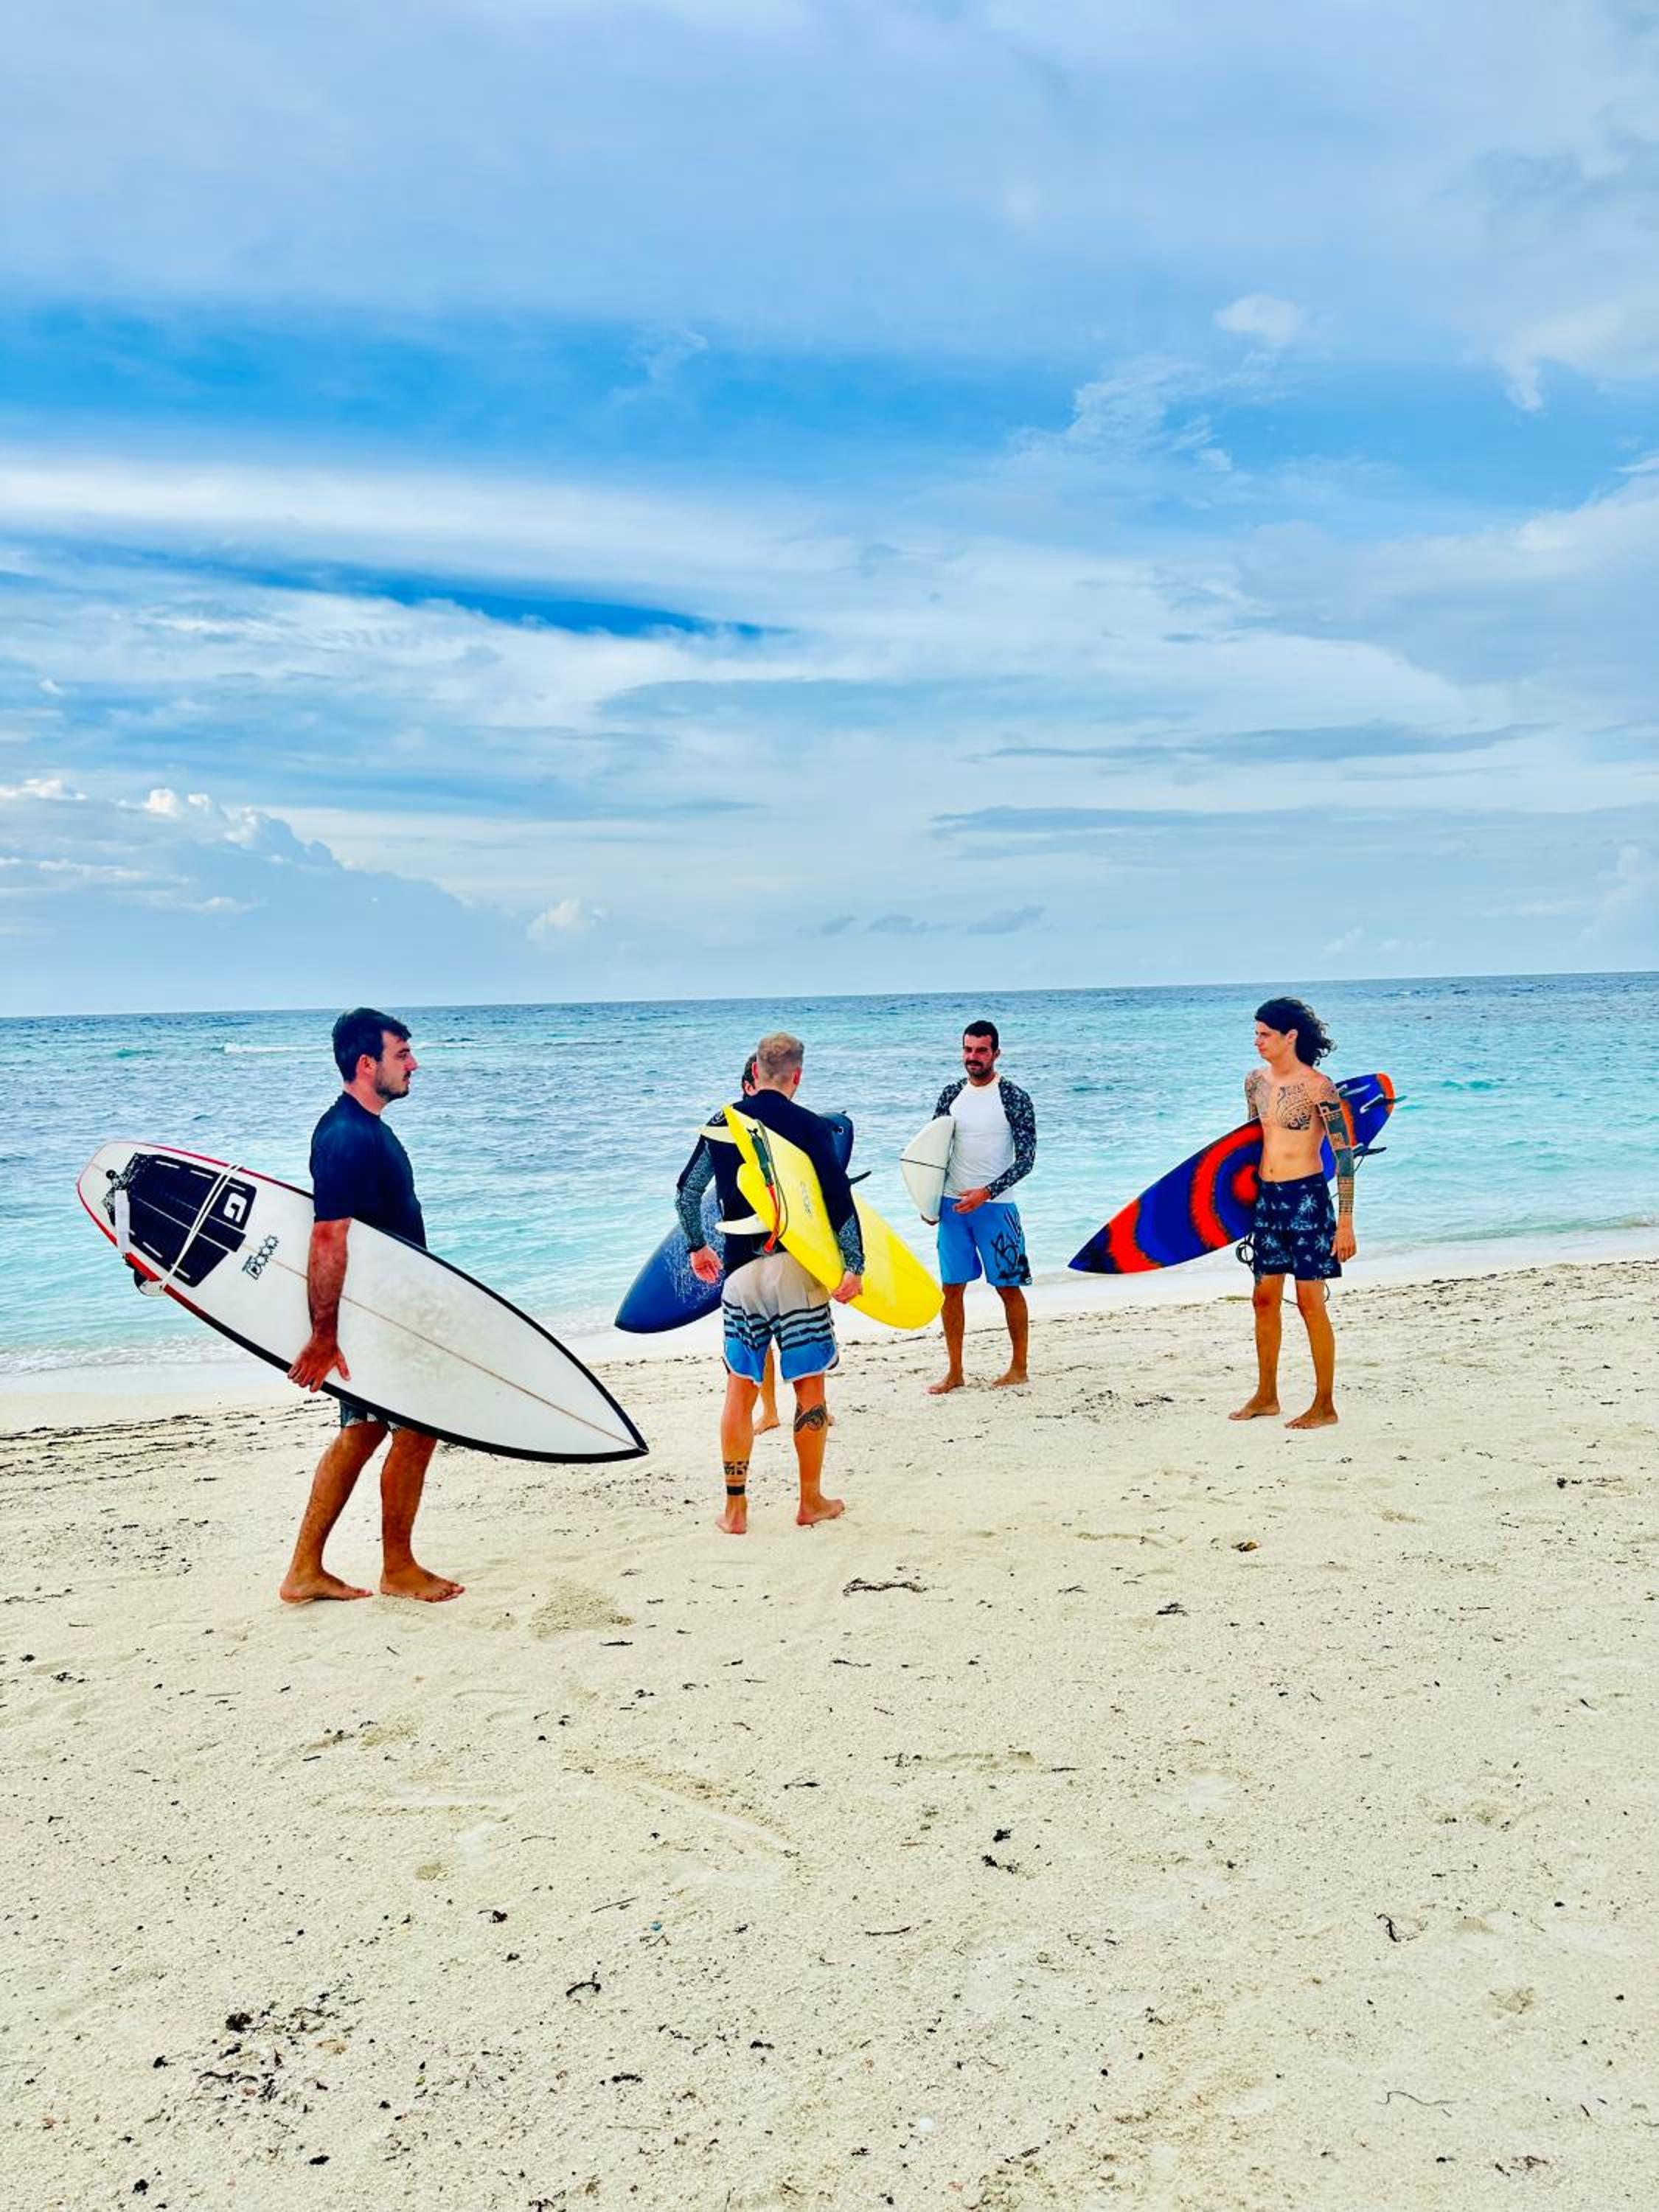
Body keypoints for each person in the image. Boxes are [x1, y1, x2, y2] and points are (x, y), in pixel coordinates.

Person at [279, 1008, 462, 1605]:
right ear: (367, 1064)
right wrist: (323, 1335)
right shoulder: (347, 1136)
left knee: (361, 1432)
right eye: (402, 1054)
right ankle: (398, 1569)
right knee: (419, 1429)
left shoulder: (365, 1128)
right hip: (379, 1317)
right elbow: (327, 1237)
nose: (414, 1065)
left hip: (380, 1309)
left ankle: (304, 1571)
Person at [676, 1032, 862, 1534]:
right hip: (795, 1271)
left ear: (755, 1073)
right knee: (809, 1387)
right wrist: (854, 1264)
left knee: (740, 1390)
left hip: (741, 1275)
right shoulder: (810, 1125)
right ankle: (810, 1501)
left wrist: (697, 1247)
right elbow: (838, 1200)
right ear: (797, 1076)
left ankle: (735, 1511)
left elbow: (686, 1193)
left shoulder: (724, 1121)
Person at [1229, 996, 1357, 1432]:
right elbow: (1249, 1144)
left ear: (1291, 1037)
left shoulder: (1319, 1087)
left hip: (1307, 1200)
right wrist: (1239, 1210)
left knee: (1309, 1303)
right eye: (1256, 1033)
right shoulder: (1254, 1083)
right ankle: (1266, 1396)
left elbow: (1343, 1156)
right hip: (1267, 1201)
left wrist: (1345, 1223)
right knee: (1263, 1300)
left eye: (1265, 1034)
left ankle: (1324, 1405)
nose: (1257, 1041)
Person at [926, 1020, 1037, 1394]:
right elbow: (932, 1153)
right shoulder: (951, 1095)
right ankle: (955, 1372)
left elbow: (1026, 1160)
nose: (973, 1057)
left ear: (996, 1053)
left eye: (981, 1051)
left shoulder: (1014, 1097)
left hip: (997, 1208)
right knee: (951, 1289)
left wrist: (986, 1193)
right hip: (952, 1207)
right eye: (968, 1049)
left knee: (1009, 1288)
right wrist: (928, 1201)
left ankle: (1019, 1368)